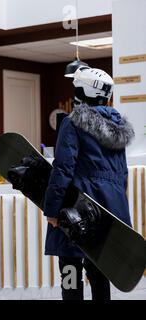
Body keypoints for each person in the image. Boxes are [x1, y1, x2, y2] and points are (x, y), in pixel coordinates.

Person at [43, 67, 135, 300]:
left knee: (70, 266)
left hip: (77, 204)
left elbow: (63, 168)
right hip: (111, 207)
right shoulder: (118, 129)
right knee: (99, 268)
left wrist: (52, 210)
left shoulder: (73, 123)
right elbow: (122, 173)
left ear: (82, 91)